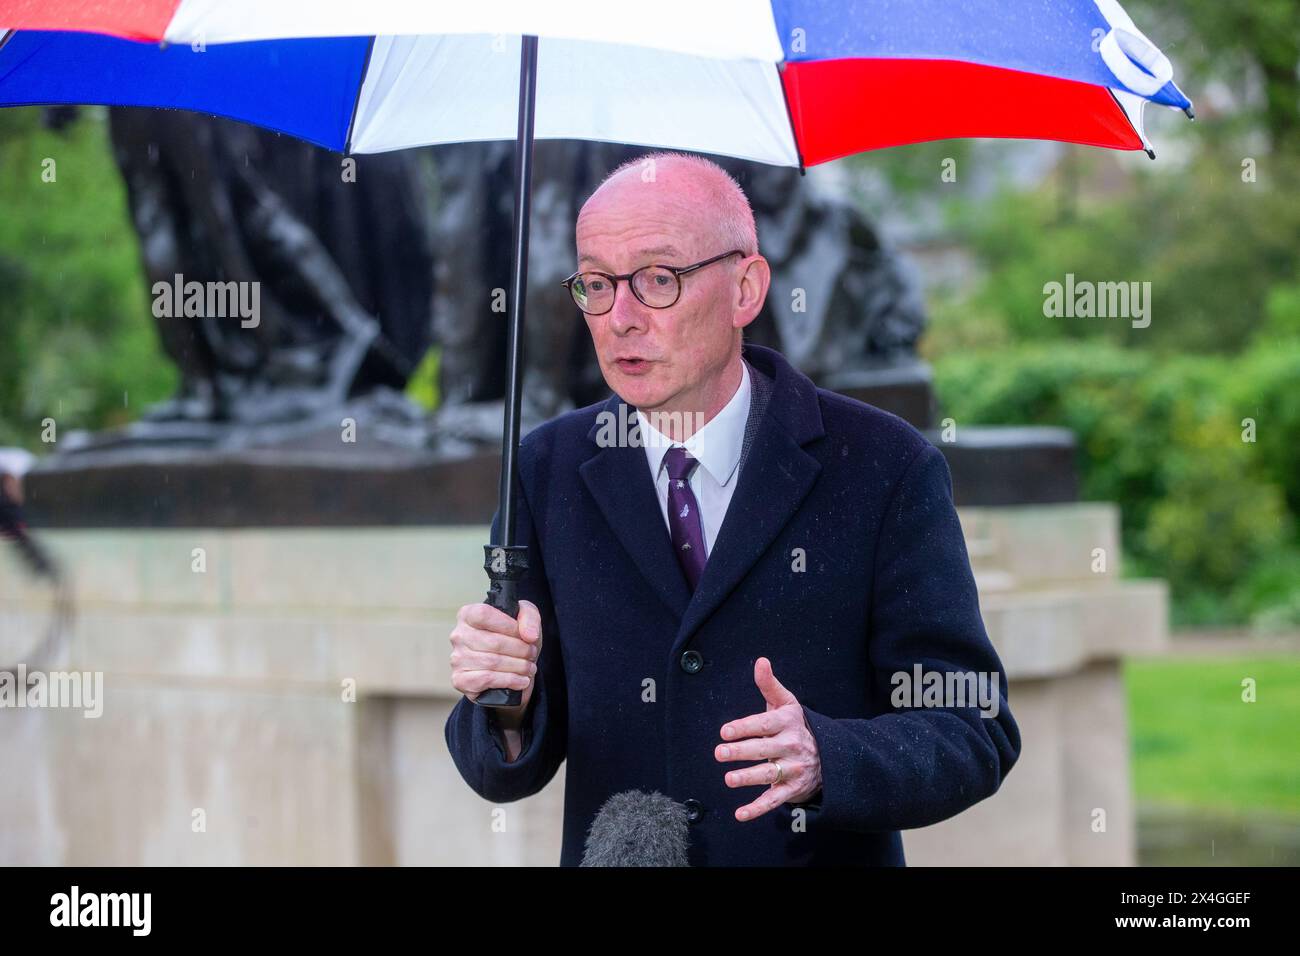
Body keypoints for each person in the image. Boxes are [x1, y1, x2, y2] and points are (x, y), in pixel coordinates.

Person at [444, 151, 1020, 866]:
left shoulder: (884, 466)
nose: (619, 318)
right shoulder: (541, 469)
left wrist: (827, 757)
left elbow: (974, 729)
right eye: (595, 283)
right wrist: (504, 699)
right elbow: (503, 764)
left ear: (745, 288)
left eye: (658, 279)